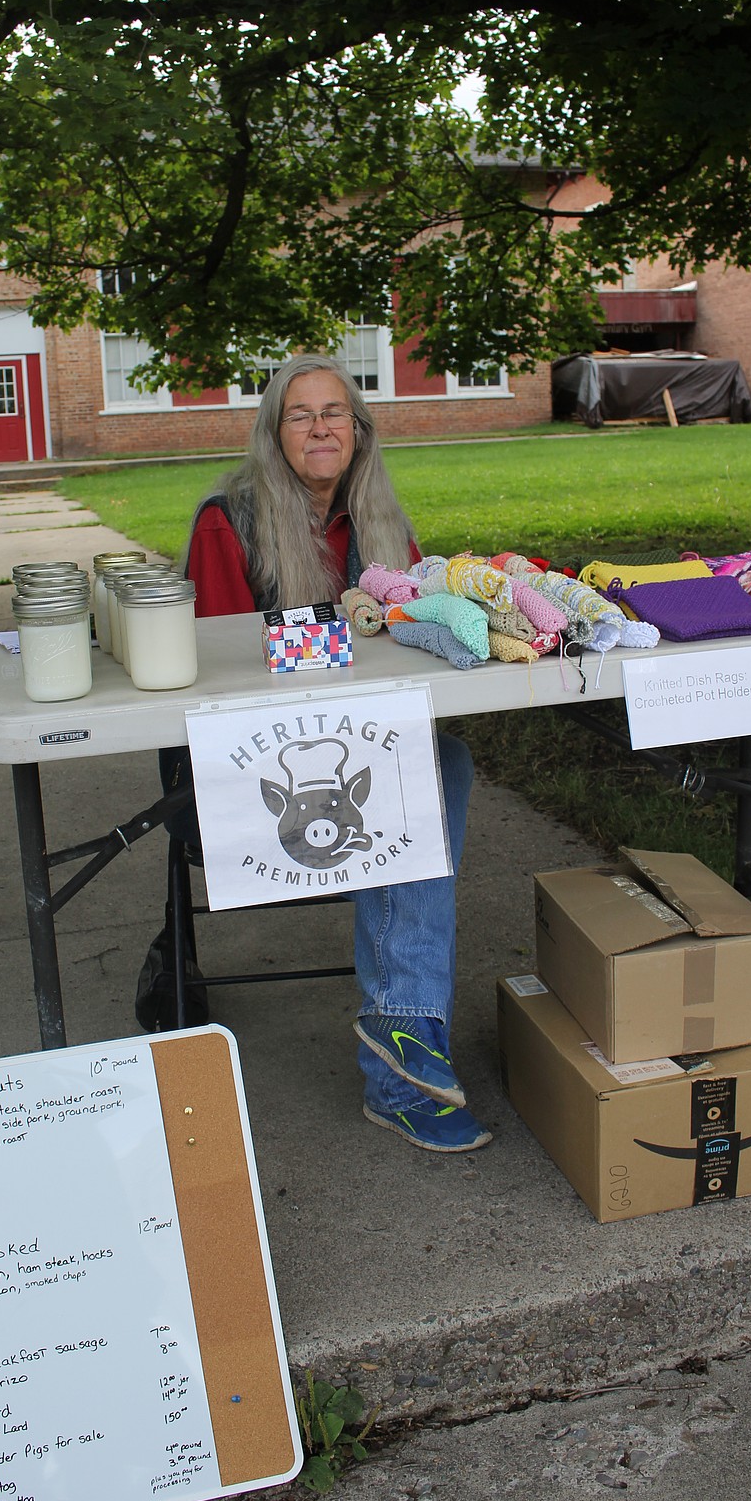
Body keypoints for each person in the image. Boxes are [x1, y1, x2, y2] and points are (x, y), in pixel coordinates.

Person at [181, 353, 490, 1154]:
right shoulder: (229, 520)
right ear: (273, 432)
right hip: (248, 768)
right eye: (300, 413)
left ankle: (405, 1046)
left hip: (349, 753)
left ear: (359, 429)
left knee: (442, 764)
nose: (321, 427)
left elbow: (418, 628)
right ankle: (401, 1070)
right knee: (415, 787)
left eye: (336, 412)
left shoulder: (381, 518)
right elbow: (214, 674)